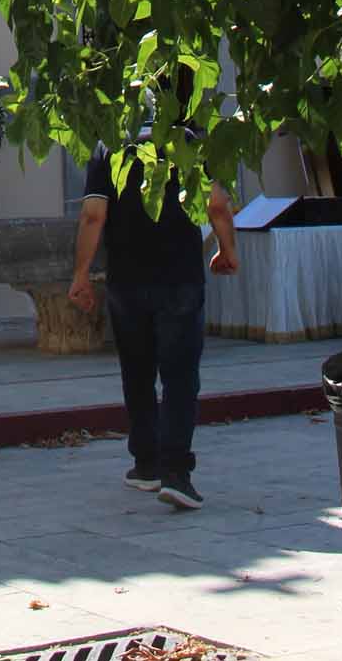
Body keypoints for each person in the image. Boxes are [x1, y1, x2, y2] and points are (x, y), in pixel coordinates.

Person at [68, 140, 238, 511]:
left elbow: (93, 215)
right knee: (179, 377)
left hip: (127, 280)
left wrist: (81, 274)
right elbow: (218, 205)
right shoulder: (189, 142)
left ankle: (145, 463)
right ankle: (176, 472)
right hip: (180, 277)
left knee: (137, 372)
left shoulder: (109, 149)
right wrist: (227, 250)